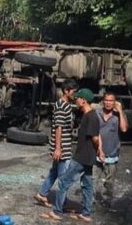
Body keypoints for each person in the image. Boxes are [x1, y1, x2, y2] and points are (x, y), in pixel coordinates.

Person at [40, 88, 103, 223]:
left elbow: (96, 138)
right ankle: (86, 214)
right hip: (88, 157)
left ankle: (56, 211)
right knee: (87, 185)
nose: (76, 100)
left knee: (63, 182)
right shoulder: (90, 115)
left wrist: (99, 150)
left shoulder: (91, 116)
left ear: (84, 100)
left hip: (82, 157)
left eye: (78, 98)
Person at [34, 79, 77, 207]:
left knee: (54, 172)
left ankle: (42, 194)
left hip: (64, 146)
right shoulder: (61, 106)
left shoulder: (66, 105)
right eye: (73, 92)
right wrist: (58, 148)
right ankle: (60, 204)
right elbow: (58, 127)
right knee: (64, 176)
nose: (75, 94)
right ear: (66, 91)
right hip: (62, 147)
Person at [95, 92, 128, 204]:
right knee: (93, 178)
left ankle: (107, 201)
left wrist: (120, 111)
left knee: (109, 181)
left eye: (111, 101)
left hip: (112, 152)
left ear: (115, 102)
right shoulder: (97, 113)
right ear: (103, 101)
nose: (108, 103)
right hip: (97, 151)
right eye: (107, 100)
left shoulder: (118, 116)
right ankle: (90, 199)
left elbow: (123, 129)